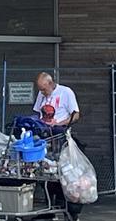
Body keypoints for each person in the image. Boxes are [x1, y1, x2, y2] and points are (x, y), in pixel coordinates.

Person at [35, 73, 84, 221]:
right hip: (46, 138)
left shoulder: (66, 92)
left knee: (64, 173)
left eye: (44, 89)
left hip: (60, 137)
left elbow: (76, 115)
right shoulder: (41, 95)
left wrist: (60, 123)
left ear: (50, 84)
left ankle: (68, 208)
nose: (42, 93)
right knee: (45, 172)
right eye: (40, 90)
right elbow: (38, 112)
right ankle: (49, 207)